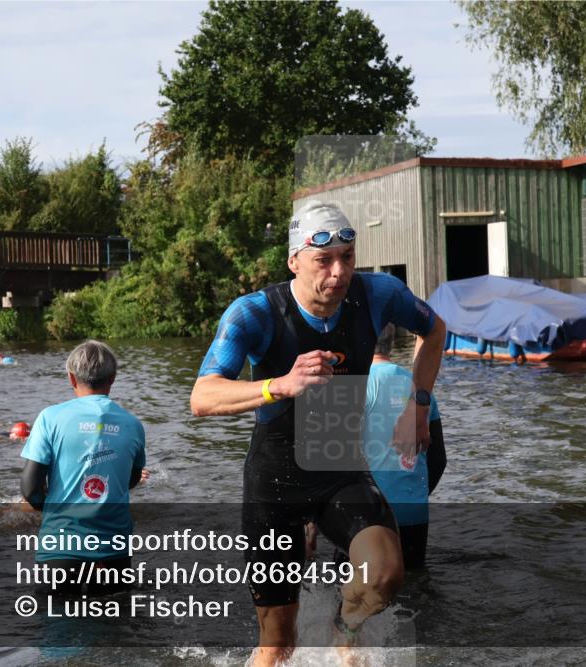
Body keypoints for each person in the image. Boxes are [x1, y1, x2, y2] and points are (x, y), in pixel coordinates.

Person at [190, 200, 446, 666]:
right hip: (276, 482)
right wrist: (279, 385)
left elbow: (435, 330)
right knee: (277, 645)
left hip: (339, 469)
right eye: (323, 260)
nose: (338, 271)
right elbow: (203, 396)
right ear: (294, 261)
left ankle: (342, 630)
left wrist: (418, 404)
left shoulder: (379, 294)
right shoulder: (256, 313)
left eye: (347, 257)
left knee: (385, 574)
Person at [20, 340, 147, 595]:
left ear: (71, 378)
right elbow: (130, 480)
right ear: (113, 378)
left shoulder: (50, 417)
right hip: (113, 550)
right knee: (114, 629)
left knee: (55, 627)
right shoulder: (133, 424)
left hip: (60, 547)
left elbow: (30, 489)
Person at [360, 323, 446, 569]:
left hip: (368, 514)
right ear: (392, 342)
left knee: (353, 590)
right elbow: (438, 461)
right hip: (413, 512)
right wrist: (415, 496)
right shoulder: (423, 391)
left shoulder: (354, 386)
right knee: (415, 587)